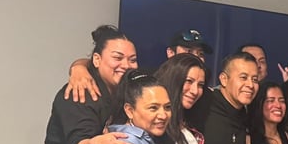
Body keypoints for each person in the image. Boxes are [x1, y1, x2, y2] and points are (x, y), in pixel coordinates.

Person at [65, 28, 212, 103]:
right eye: (188, 51)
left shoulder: (203, 92)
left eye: (200, 54)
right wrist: (78, 68)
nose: (195, 57)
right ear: (170, 53)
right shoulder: (149, 78)